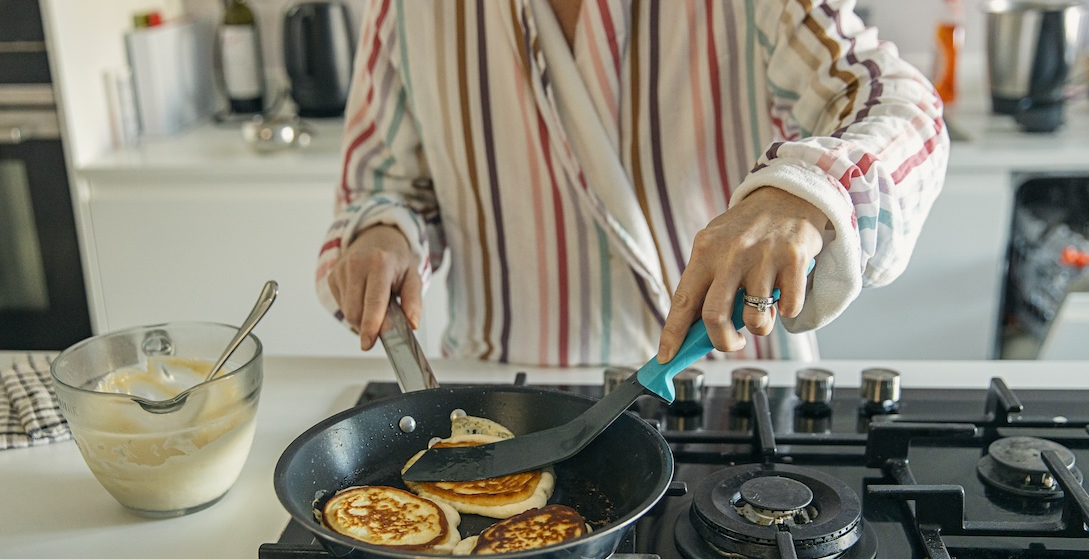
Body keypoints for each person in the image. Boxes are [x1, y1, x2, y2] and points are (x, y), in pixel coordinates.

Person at [316, 0, 948, 366]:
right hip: (502, 399)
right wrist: (382, 233)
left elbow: (899, 102)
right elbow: (384, 183)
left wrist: (802, 192)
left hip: (730, 384)